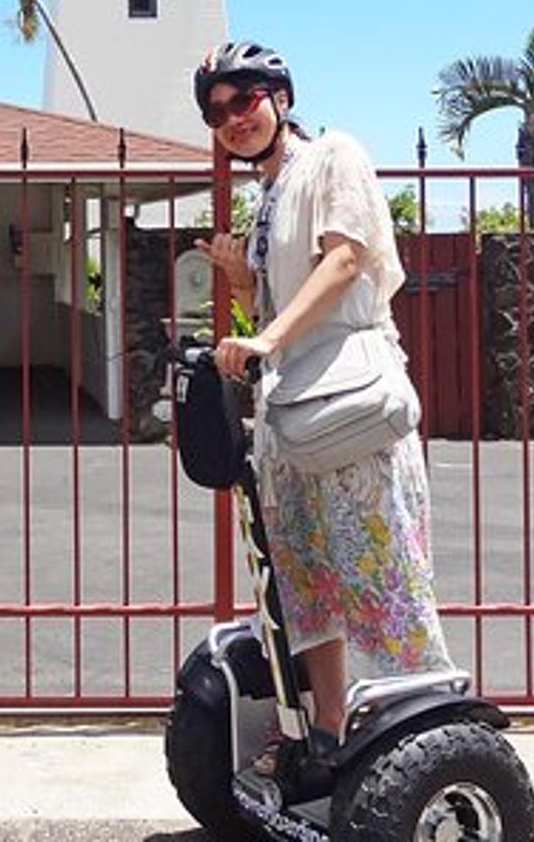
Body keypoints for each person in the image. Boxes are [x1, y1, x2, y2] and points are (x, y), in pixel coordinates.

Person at [191, 41, 452, 754]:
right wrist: (239, 281)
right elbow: (269, 297)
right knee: (306, 582)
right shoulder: (266, 199)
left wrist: (267, 336)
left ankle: (426, 734)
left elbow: (344, 259)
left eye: (244, 99)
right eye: (217, 111)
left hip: (349, 400)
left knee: (382, 566)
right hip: (289, 410)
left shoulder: (335, 157)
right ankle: (331, 731)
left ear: (280, 97)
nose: (232, 119)